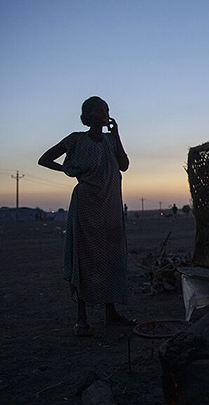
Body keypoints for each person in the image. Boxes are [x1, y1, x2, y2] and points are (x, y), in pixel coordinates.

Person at [38, 96, 135, 336]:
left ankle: (111, 313)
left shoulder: (112, 141)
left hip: (110, 204)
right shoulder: (76, 140)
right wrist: (68, 170)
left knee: (112, 256)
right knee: (84, 258)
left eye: (106, 110)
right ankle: (81, 319)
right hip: (86, 205)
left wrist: (118, 134)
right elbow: (45, 159)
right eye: (98, 110)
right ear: (87, 115)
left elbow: (124, 165)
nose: (103, 114)